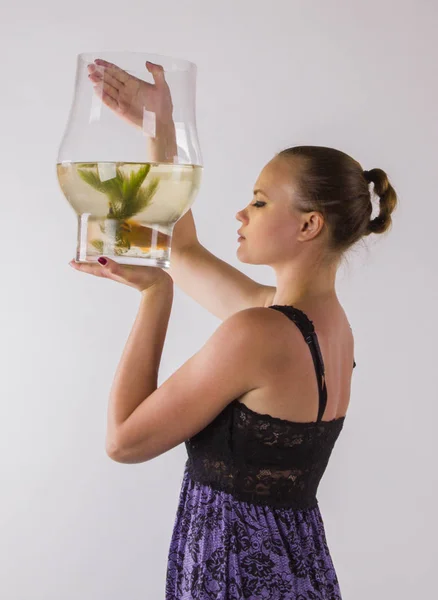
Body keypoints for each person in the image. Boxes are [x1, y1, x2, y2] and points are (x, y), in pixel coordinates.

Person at [84, 59, 399, 599]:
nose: (241, 213)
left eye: (259, 200)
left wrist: (154, 294)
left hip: (233, 576)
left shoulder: (259, 333)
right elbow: (180, 249)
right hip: (297, 569)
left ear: (308, 224)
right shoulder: (325, 327)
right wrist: (160, 127)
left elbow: (123, 441)